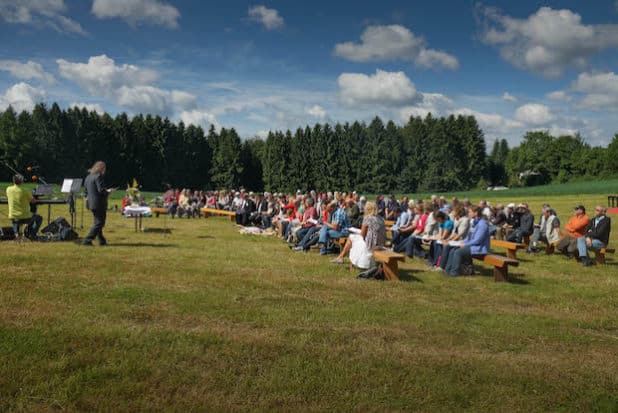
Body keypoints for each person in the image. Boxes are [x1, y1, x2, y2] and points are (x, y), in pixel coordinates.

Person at [331, 201, 386, 268]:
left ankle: (343, 259)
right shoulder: (381, 219)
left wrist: (357, 232)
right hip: (381, 244)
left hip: (371, 245)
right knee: (353, 238)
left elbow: (362, 235)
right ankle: (341, 257)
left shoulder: (367, 218)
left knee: (351, 238)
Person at [441, 206, 490, 276]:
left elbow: (478, 240)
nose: (468, 213)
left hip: (480, 248)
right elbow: (468, 237)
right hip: (473, 246)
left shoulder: (482, 224)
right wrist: (462, 242)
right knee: (453, 250)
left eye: (470, 212)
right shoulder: (474, 222)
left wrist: (466, 244)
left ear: (476, 213)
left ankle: (454, 272)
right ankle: (447, 270)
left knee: (458, 252)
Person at [83, 161, 111, 246]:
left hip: (92, 203)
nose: (104, 170)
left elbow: (85, 192)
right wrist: (108, 192)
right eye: (104, 168)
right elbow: (101, 190)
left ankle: (102, 240)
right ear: (101, 168)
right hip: (99, 203)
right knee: (100, 223)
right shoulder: (99, 176)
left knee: (97, 222)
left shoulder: (88, 177)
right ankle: (87, 239)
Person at [6, 173, 35, 240]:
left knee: (16, 220)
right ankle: (30, 234)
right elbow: (33, 201)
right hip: (25, 216)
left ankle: (16, 234)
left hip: (13, 215)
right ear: (22, 181)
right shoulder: (25, 190)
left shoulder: (8, 189)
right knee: (39, 217)